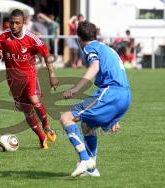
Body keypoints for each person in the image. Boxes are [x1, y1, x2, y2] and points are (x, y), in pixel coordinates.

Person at [60, 20, 131, 177]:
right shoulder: (107, 48)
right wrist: (114, 114)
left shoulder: (89, 47)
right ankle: (92, 170)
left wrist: (75, 89)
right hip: (123, 95)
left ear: (79, 39)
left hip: (111, 93)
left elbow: (95, 66)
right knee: (87, 124)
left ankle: (85, 160)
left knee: (66, 117)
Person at [0, 9, 59, 149]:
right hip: (13, 80)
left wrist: (52, 74)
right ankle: (41, 138)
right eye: (11, 23)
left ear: (23, 23)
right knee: (26, 110)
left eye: (17, 23)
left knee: (33, 99)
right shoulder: (3, 37)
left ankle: (46, 126)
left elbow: (46, 55)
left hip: (29, 75)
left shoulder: (32, 38)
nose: (13, 26)